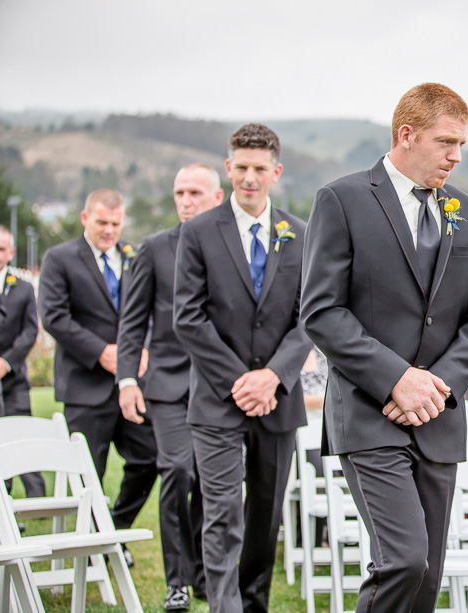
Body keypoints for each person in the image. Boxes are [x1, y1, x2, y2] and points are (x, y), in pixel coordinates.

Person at [300, 83, 468, 612]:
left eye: (462, 144)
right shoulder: (342, 200)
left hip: (438, 418)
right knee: (404, 560)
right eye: (446, 142)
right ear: (406, 135)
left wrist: (437, 386)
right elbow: (321, 311)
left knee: (426, 578)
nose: (456, 156)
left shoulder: (465, 210)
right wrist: (397, 379)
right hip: (371, 413)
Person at [172, 124, 310, 613]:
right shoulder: (197, 232)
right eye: (242, 168)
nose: (250, 178)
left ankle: (254, 604)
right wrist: (240, 382)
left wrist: (272, 377)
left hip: (279, 399)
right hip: (217, 401)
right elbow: (187, 317)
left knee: (265, 517)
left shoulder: (301, 235)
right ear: (229, 168)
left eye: (260, 169)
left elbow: (311, 317)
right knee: (222, 513)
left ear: (276, 171)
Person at [116, 164, 222, 609]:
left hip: (219, 385)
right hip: (168, 386)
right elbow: (132, 320)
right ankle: (177, 580)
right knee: (177, 471)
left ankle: (204, 573)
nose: (185, 200)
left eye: (194, 192)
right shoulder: (154, 248)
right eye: (179, 192)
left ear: (217, 197)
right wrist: (127, 378)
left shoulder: (231, 246)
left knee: (210, 479)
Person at [38, 189, 158, 556]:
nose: (109, 230)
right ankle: (90, 548)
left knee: (151, 456)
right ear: (84, 218)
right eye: (102, 222)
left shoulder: (133, 257)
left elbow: (148, 310)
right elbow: (54, 316)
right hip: (85, 384)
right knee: (89, 470)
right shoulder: (60, 258)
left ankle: (114, 531)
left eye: (115, 223)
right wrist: (101, 352)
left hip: (131, 385)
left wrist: (142, 348)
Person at [0, 226, 41, 496]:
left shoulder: (23, 288)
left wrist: (6, 362)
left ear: (11, 252)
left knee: (22, 438)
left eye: (1, 249)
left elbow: (30, 331)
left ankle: (38, 500)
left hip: (14, 378)